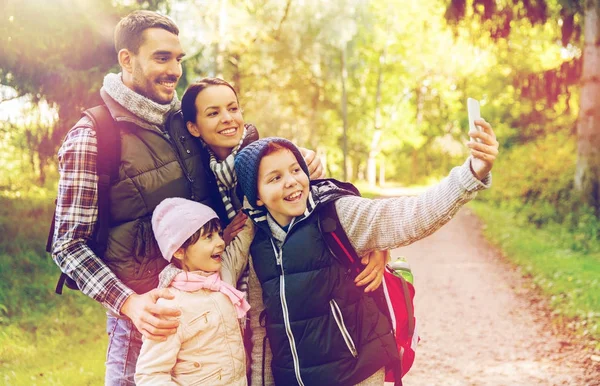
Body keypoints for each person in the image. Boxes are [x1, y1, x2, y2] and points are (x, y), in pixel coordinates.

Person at [49, 10, 327, 385]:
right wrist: (131, 304)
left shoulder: (187, 122)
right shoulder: (93, 136)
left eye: (178, 58)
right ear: (127, 60)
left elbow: (250, 167)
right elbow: (67, 246)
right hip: (147, 326)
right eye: (161, 57)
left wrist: (306, 164)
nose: (175, 70)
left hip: (217, 308)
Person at [233, 128, 498, 385]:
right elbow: (262, 330)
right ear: (256, 197)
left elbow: (411, 215)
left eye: (295, 169)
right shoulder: (260, 245)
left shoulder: (336, 214)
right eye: (274, 178)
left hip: (356, 374)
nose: (291, 181)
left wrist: (470, 174)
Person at [181, 77, 389, 385]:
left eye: (233, 108)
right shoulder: (196, 176)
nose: (227, 118)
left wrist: (377, 244)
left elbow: (333, 206)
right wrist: (221, 240)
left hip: (282, 299)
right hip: (234, 298)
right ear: (193, 127)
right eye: (213, 113)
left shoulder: (272, 156)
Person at [135, 197, 253, 385]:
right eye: (209, 237)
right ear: (179, 251)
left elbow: (243, 241)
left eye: (220, 234)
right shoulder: (170, 305)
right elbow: (149, 374)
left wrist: (252, 203)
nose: (221, 242)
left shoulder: (224, 274)